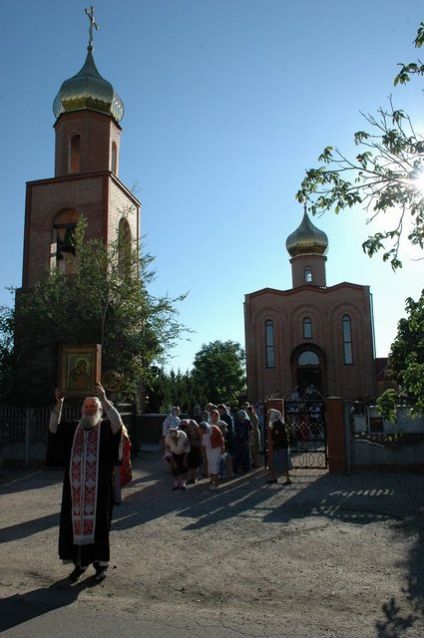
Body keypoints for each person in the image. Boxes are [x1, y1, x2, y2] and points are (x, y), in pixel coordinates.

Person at [48, 383, 123, 583]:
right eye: (86, 407)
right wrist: (59, 404)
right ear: (82, 410)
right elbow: (53, 428)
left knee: (99, 526)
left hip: (99, 491)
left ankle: (100, 567)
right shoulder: (74, 428)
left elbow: (118, 424)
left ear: (99, 411)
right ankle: (79, 565)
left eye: (94, 407)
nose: (89, 410)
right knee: (75, 528)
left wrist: (105, 400)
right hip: (75, 493)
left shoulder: (106, 428)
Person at [266, 408, 292, 485]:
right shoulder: (276, 423)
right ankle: (274, 478)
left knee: (283, 462)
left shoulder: (278, 424)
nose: (268, 416)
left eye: (269, 414)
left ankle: (287, 479)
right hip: (279, 446)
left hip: (281, 446)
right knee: (275, 462)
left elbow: (278, 435)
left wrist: (274, 441)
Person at [164, 422, 190, 490]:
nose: (174, 440)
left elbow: (187, 447)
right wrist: (173, 461)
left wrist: (185, 459)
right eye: (173, 438)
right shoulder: (167, 438)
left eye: (176, 438)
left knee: (184, 468)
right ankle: (176, 484)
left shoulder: (183, 435)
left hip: (183, 452)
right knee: (174, 468)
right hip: (173, 453)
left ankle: (183, 483)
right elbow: (168, 450)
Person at [199, 421, 225, 490]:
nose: (203, 432)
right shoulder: (202, 432)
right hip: (208, 450)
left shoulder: (215, 429)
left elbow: (221, 441)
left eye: (203, 431)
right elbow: (203, 442)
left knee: (214, 467)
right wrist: (203, 451)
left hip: (216, 449)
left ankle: (216, 484)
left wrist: (222, 451)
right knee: (210, 466)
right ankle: (212, 481)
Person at [180, 419, 202, 484]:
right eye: (183, 427)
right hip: (188, 445)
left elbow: (200, 434)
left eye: (185, 427)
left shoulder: (193, 424)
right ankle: (190, 477)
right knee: (189, 462)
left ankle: (194, 478)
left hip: (196, 444)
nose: (184, 429)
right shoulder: (181, 426)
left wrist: (199, 443)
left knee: (195, 462)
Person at [233, 410, 251, 474]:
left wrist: (248, 440)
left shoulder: (247, 422)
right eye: (239, 416)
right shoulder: (237, 422)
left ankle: (246, 468)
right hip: (238, 440)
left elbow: (249, 431)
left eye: (241, 416)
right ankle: (240, 468)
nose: (240, 417)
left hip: (245, 440)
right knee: (239, 455)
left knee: (246, 455)